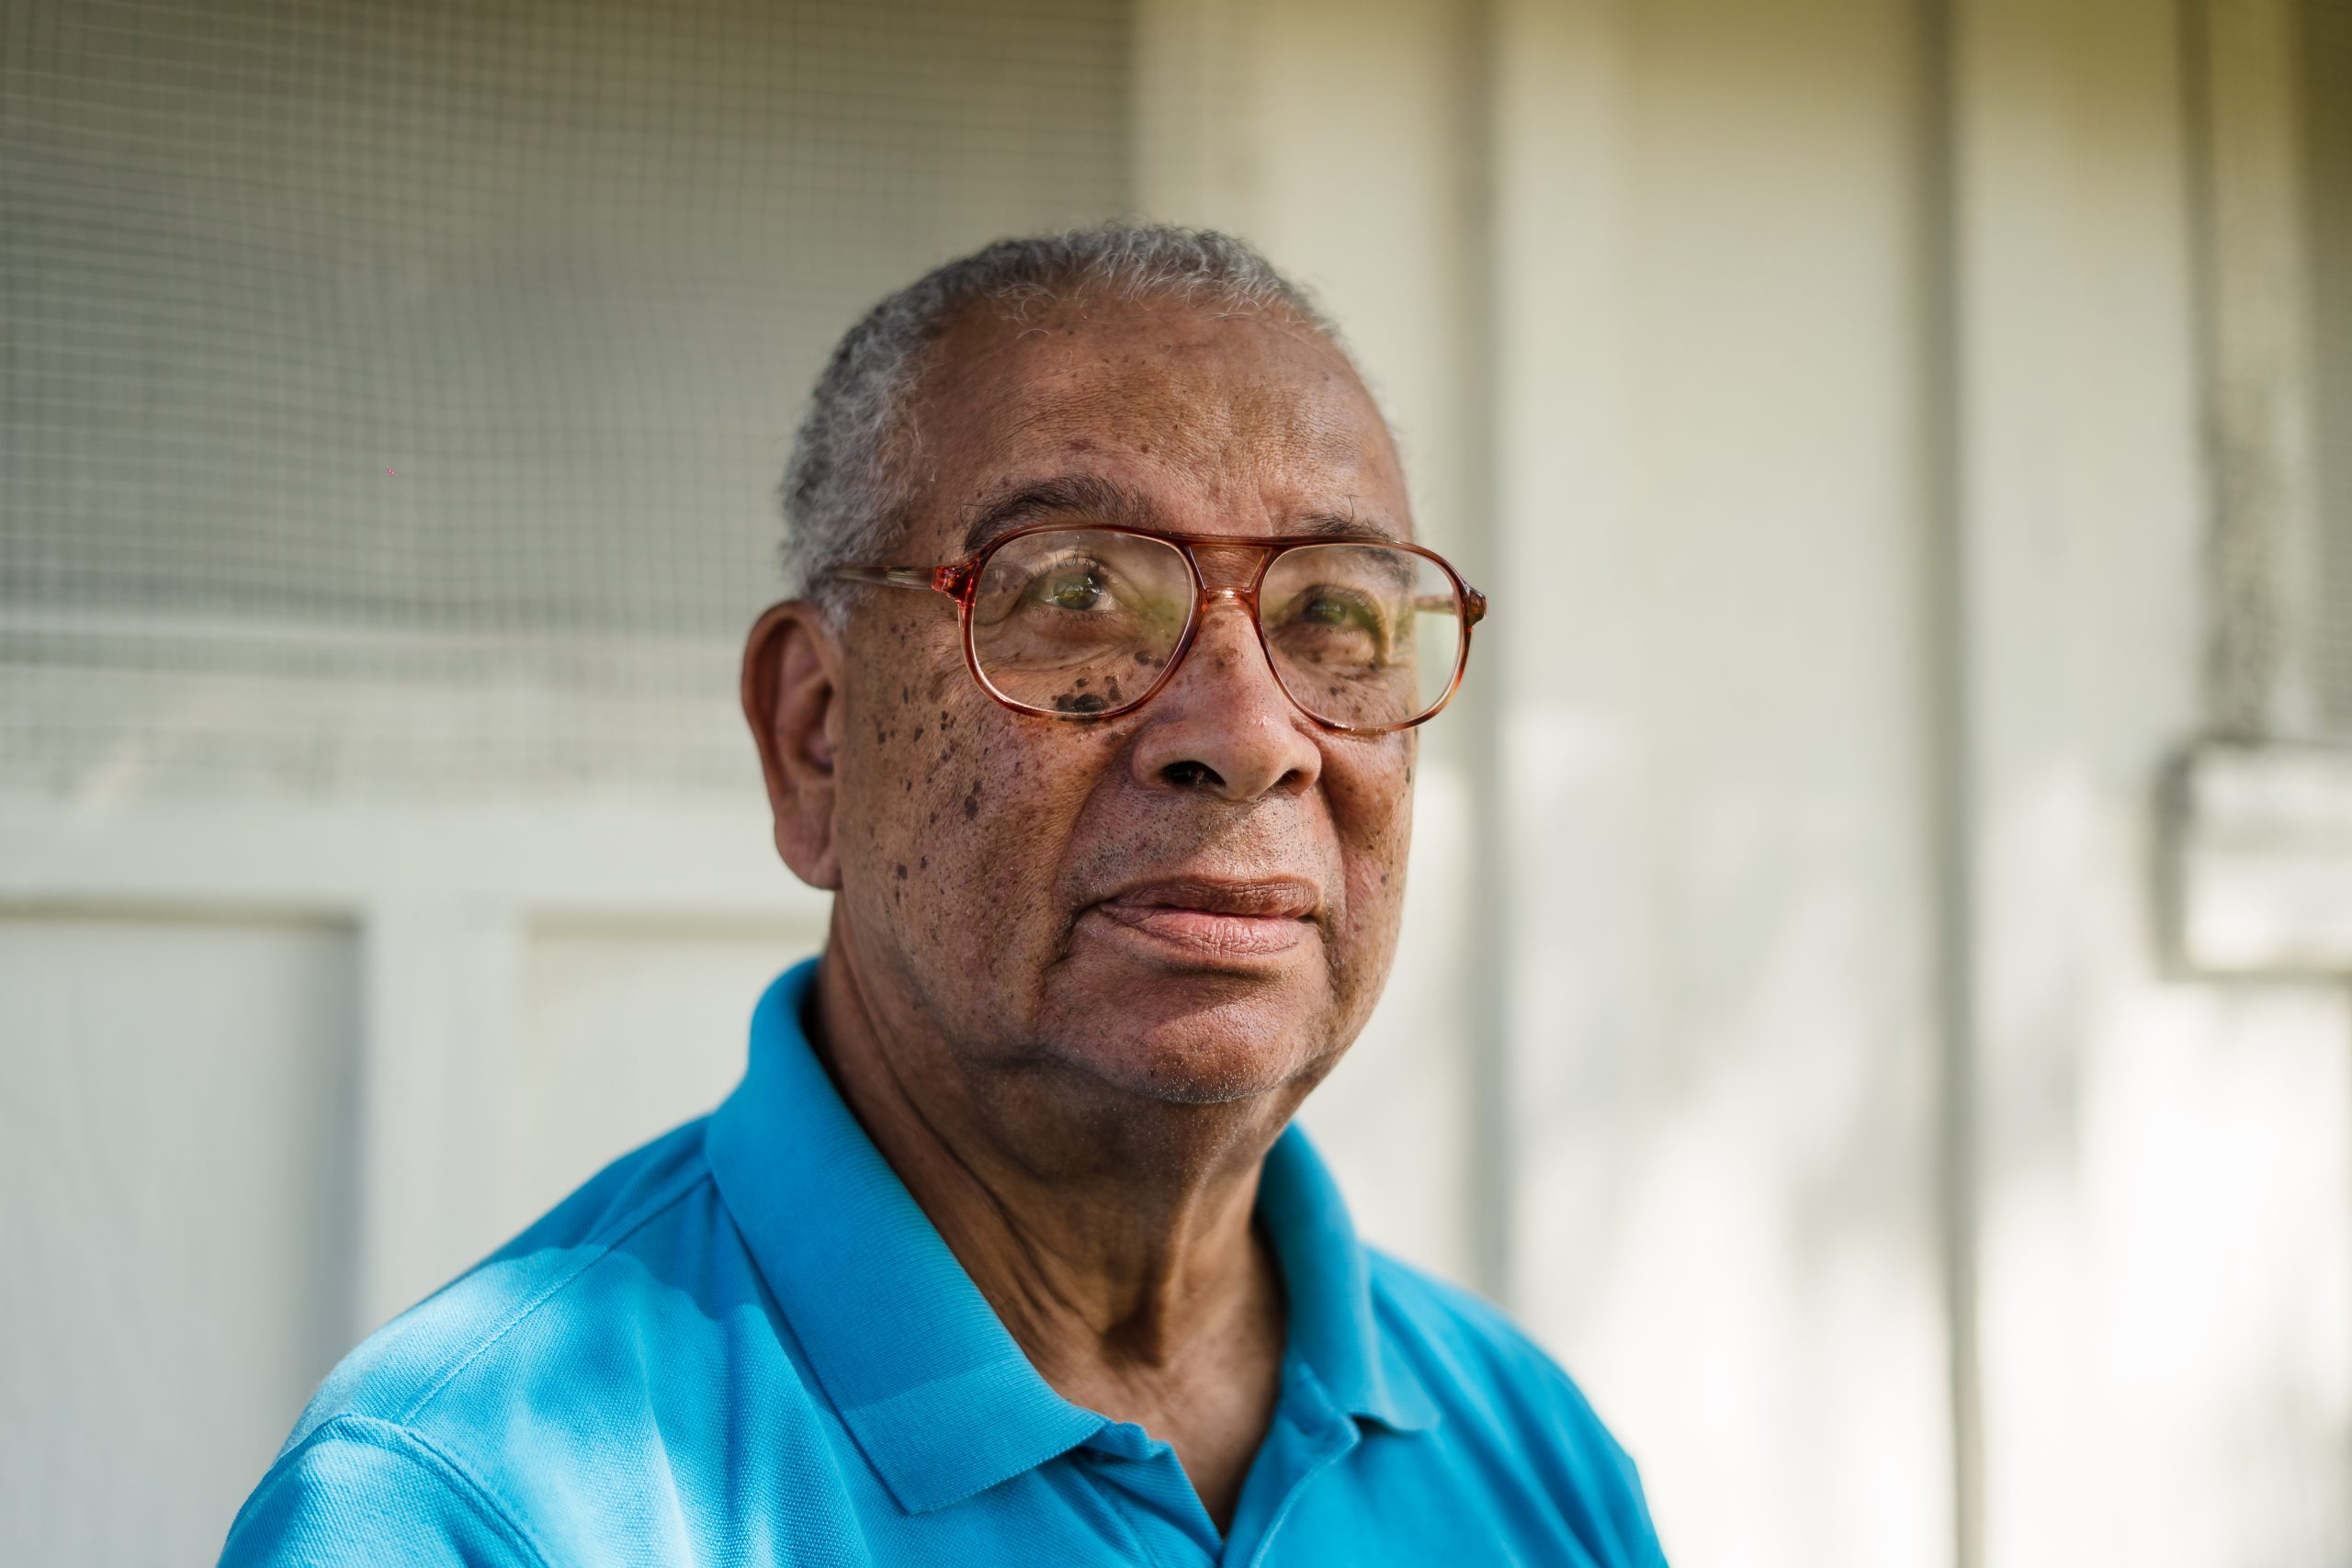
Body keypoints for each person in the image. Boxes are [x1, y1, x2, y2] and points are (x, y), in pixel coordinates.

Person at [220, 226, 1668, 1566]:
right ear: (817, 736)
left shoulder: (1522, 1457)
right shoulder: (476, 1502)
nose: (1247, 735)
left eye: (1336, 615)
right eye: (1078, 594)